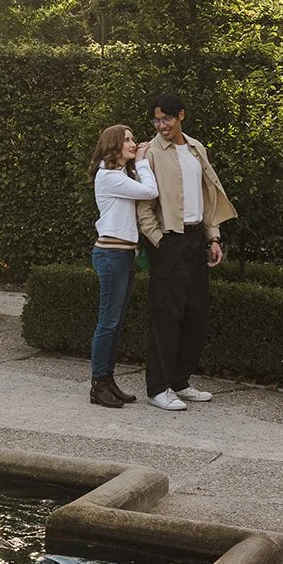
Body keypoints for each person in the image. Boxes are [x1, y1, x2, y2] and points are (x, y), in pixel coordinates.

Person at [136, 92, 237, 412]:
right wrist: (159, 241)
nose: (161, 125)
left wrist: (213, 238)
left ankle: (180, 381)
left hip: (196, 240)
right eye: (156, 119)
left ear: (181, 115)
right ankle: (157, 387)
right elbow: (144, 206)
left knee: (196, 314)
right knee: (166, 314)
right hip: (169, 241)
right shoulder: (150, 153)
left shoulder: (196, 149)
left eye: (166, 118)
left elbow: (208, 198)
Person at [87, 124, 159, 409]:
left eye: (132, 139)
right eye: (126, 140)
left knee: (115, 324)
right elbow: (150, 191)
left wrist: (138, 162)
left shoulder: (119, 175)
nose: (133, 142)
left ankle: (108, 380)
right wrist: (142, 161)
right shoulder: (108, 177)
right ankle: (98, 384)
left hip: (123, 254)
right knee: (108, 322)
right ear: (114, 145)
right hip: (111, 254)